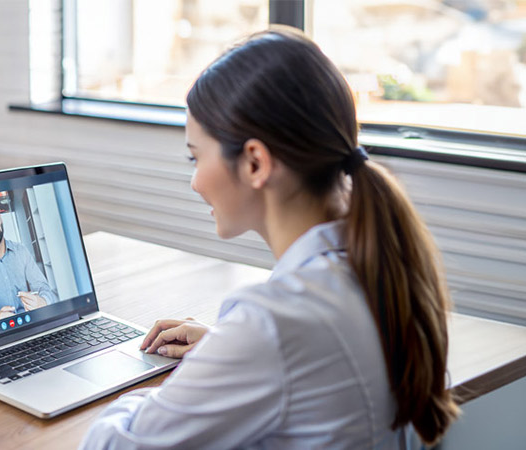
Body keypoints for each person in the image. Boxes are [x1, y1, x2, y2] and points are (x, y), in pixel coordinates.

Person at [80, 26, 458, 449]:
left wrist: (205, 379)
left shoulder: (272, 323)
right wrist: (228, 357)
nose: (194, 181)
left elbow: (110, 445)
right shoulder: (373, 263)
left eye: (195, 156)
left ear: (256, 163)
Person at [0, 196, 58, 326]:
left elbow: (43, 287)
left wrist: (42, 301)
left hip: (30, 323)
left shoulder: (21, 250)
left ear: (0, 217)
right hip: (2, 329)